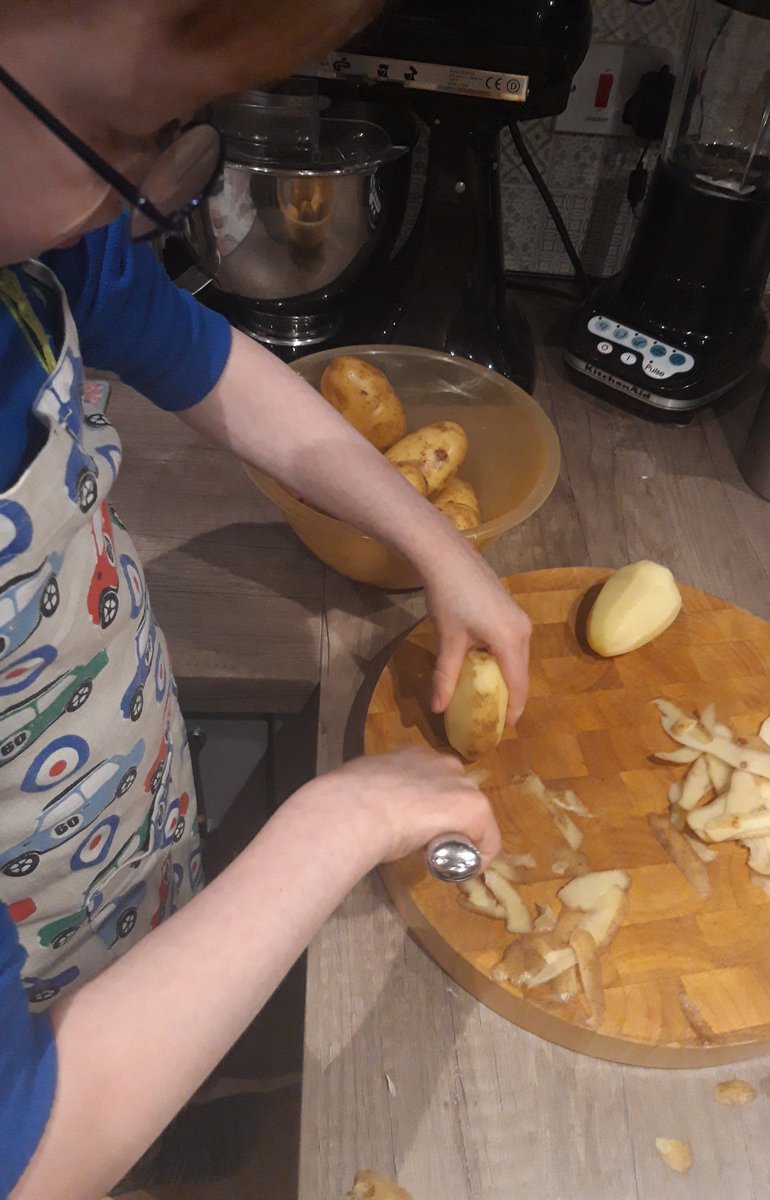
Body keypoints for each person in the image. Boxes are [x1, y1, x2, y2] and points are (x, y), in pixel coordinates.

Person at [0, 3, 531, 1197]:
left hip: (109, 830)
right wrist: (335, 824)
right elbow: (32, 1151)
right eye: (125, 135)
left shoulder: (31, 247)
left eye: (177, 139)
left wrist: (434, 543)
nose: (147, 196)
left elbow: (215, 363)